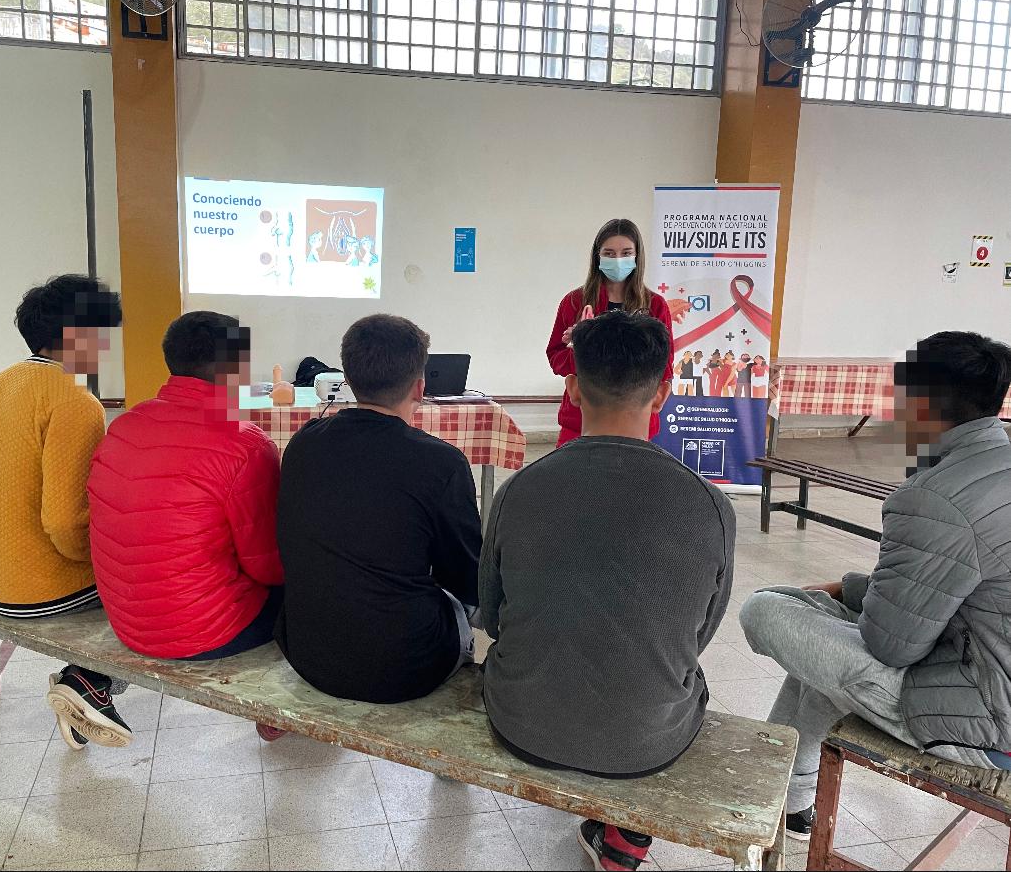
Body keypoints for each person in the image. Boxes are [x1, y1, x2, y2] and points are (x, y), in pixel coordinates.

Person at [482, 310, 735, 871]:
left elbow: (494, 615)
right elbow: (700, 631)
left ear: (571, 388)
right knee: (675, 674)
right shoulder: (711, 506)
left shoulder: (520, 490)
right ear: (664, 392)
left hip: (521, 720)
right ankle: (625, 838)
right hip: (648, 743)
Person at [740, 330, 1011, 840]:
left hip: (983, 719)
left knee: (765, 609)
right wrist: (845, 591)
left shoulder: (936, 497)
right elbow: (949, 590)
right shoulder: (996, 466)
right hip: (986, 671)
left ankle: (775, 789)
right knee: (824, 636)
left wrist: (828, 605)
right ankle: (786, 797)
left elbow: (888, 644)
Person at [0, 275, 130, 751]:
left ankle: (85, 686)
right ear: (78, 335)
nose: (106, 346)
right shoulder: (75, 401)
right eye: (103, 333)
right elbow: (66, 523)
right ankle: (88, 681)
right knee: (148, 587)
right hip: (41, 593)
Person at [274, 314, 482, 704]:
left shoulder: (303, 443)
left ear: (349, 381)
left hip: (305, 651)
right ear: (420, 387)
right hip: (405, 669)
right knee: (466, 605)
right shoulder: (442, 463)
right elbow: (465, 577)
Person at [86, 312, 284, 671]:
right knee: (305, 593)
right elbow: (267, 567)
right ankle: (275, 714)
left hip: (128, 621)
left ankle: (98, 682)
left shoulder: (124, 425)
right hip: (206, 631)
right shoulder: (245, 444)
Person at [546, 219, 677, 445]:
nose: (618, 260)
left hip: (636, 419)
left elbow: (664, 365)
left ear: (637, 256)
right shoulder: (575, 302)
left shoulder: (655, 305)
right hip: (581, 420)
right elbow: (555, 356)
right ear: (597, 256)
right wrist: (581, 348)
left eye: (626, 253)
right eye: (609, 253)